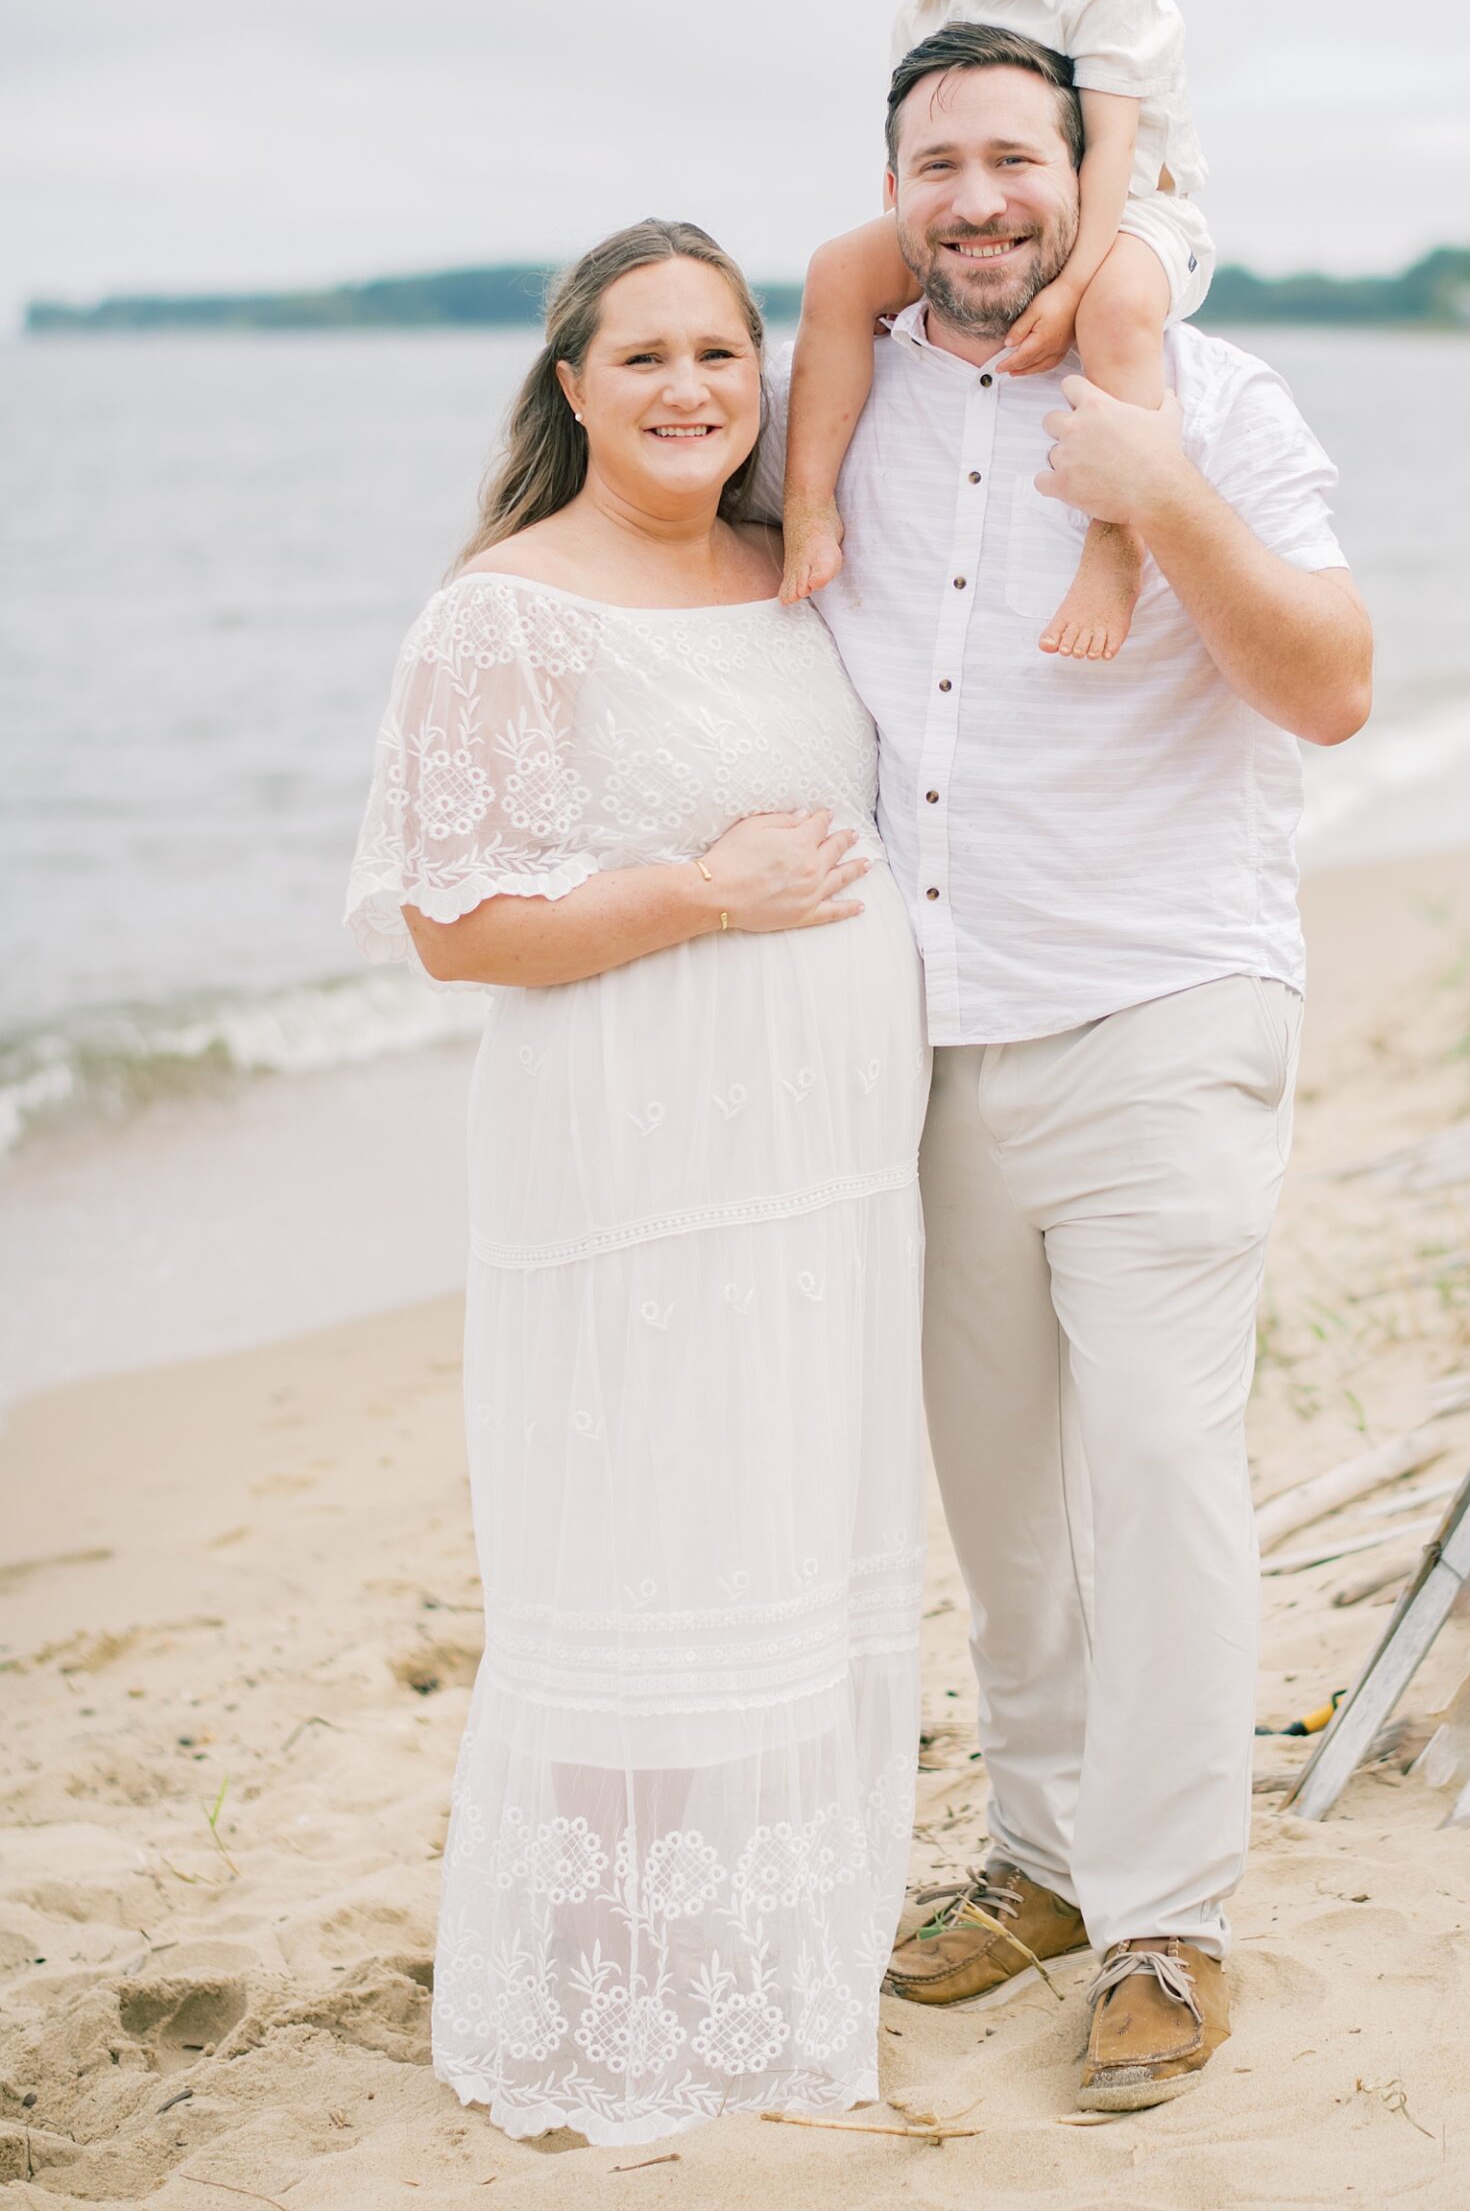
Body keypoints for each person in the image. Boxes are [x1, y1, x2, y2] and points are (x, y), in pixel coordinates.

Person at [748, 24, 1371, 2112]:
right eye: (940, 163)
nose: (981, 197)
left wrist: (1164, 492)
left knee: (1164, 1468)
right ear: (894, 191)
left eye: (1017, 156)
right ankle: (1034, 1848)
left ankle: (1171, 1912)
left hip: (1161, 1003)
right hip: (916, 1043)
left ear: (1086, 176)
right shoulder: (840, 403)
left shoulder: (1216, 395)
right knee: (1001, 1489)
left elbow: (1337, 685)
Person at [344, 221, 928, 2147]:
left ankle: (777, 1955)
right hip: (633, 1172)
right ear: (573, 387)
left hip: (823, 1181)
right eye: (647, 356)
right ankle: (620, 1989)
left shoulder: (798, 572)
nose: (691, 389)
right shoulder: (506, 614)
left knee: (787, 1524)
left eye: (725, 353)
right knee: (645, 1527)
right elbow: (455, 926)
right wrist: (704, 894)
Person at [779, 0, 1212, 664]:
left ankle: (1114, 539)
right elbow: (923, 148)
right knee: (836, 273)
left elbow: (1108, 157)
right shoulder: (925, 6)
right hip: (993, 208)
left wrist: (1064, 292)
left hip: (1131, 206)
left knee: (1120, 307)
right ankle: (808, 507)